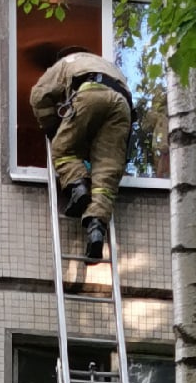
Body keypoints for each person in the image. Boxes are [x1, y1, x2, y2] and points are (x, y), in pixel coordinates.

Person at [30, 45, 133, 263]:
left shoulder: (67, 62)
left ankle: (77, 186)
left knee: (62, 147)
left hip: (90, 94)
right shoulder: (110, 67)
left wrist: (52, 128)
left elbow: (39, 95)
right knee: (107, 169)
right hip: (122, 107)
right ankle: (96, 226)